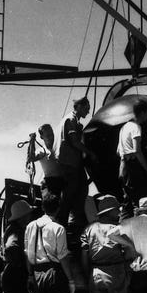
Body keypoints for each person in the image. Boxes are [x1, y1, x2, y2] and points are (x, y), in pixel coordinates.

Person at [55, 96, 92, 227]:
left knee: (79, 191)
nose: (88, 112)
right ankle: (63, 224)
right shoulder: (70, 120)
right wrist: (90, 153)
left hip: (72, 164)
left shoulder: (73, 120)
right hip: (69, 164)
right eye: (87, 109)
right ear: (79, 107)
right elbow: (74, 142)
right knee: (69, 196)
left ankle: (73, 223)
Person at [117, 99, 147, 219]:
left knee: (127, 201)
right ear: (142, 113)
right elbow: (136, 151)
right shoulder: (136, 127)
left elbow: (118, 151)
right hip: (133, 168)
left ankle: (123, 228)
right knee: (137, 203)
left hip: (124, 168)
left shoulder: (124, 127)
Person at [27, 124, 63, 194]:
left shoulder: (59, 147)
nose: (51, 137)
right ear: (41, 137)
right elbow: (31, 158)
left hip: (61, 182)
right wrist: (32, 142)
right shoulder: (42, 151)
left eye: (52, 134)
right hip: (49, 183)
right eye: (48, 135)